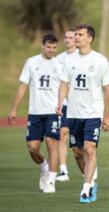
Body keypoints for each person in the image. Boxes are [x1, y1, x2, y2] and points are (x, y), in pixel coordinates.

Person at [57, 24, 109, 204]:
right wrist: (60, 103)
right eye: (75, 35)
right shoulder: (69, 60)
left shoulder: (100, 61)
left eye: (80, 35)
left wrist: (107, 115)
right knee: (77, 152)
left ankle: (87, 188)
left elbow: (108, 90)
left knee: (90, 149)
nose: (76, 38)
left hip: (93, 113)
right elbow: (64, 84)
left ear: (89, 38)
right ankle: (88, 178)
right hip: (73, 113)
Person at [8, 34, 61, 193]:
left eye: (54, 47)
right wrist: (13, 109)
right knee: (32, 147)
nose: (51, 50)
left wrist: (63, 105)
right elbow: (23, 86)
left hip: (52, 111)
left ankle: (51, 182)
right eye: (48, 47)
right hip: (35, 112)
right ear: (42, 46)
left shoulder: (59, 64)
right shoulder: (31, 62)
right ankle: (44, 167)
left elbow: (65, 87)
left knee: (52, 142)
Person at [56, 30, 78, 182]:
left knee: (79, 143)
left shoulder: (82, 57)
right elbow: (60, 82)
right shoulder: (58, 59)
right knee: (63, 133)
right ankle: (63, 170)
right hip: (64, 104)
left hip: (79, 104)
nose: (68, 40)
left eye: (71, 37)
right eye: (66, 38)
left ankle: (89, 168)